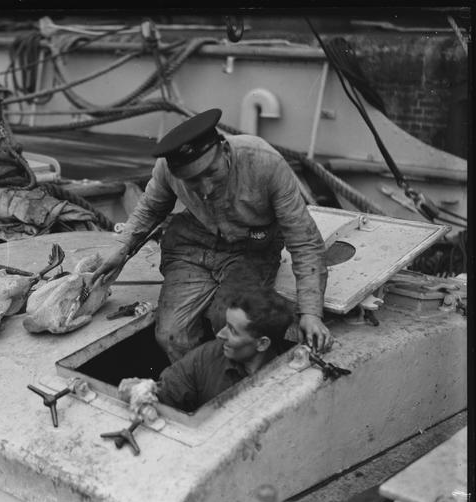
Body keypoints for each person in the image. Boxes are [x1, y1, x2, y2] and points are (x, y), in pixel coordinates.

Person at [92, 109, 332, 362]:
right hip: (192, 246)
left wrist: (311, 313)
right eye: (193, 181)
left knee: (226, 324)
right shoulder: (166, 169)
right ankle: (198, 383)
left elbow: (304, 241)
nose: (205, 189)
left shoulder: (266, 163)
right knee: (170, 335)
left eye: (211, 173)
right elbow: (150, 208)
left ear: (225, 151)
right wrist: (122, 247)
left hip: (252, 249)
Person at [146, 286, 294, 413]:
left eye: (233, 331)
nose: (220, 334)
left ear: (262, 344)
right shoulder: (207, 356)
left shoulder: (289, 385)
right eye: (226, 325)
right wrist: (142, 394)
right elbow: (165, 393)